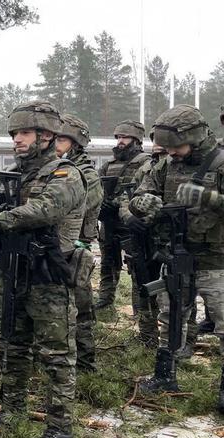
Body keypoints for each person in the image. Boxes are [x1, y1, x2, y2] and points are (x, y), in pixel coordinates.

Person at [0, 101, 86, 438]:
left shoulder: (64, 173)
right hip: (15, 272)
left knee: (57, 356)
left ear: (46, 136)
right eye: (14, 133)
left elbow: (46, 208)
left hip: (49, 277)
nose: (16, 139)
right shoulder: (14, 175)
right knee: (13, 347)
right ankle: (13, 409)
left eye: (24, 133)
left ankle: (60, 428)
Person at [125, 105, 224, 414]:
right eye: (166, 147)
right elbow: (141, 194)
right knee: (171, 318)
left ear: (195, 137)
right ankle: (165, 376)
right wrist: (142, 203)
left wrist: (207, 198)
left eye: (176, 146)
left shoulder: (221, 162)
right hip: (176, 254)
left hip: (217, 260)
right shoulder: (166, 164)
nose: (171, 153)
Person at [54, 114, 102, 372]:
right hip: (56, 248)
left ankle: (84, 360)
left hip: (77, 248)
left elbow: (81, 206)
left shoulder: (86, 174)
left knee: (80, 305)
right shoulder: (51, 168)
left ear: (75, 143)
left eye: (61, 138)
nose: (55, 142)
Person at [96, 121, 152, 311]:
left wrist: (119, 204)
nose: (120, 141)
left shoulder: (146, 163)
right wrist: (101, 205)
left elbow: (144, 190)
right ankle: (105, 300)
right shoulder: (108, 165)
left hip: (131, 223)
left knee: (137, 267)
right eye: (118, 137)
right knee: (107, 264)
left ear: (136, 140)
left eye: (125, 137)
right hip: (110, 223)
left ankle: (139, 308)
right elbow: (97, 189)